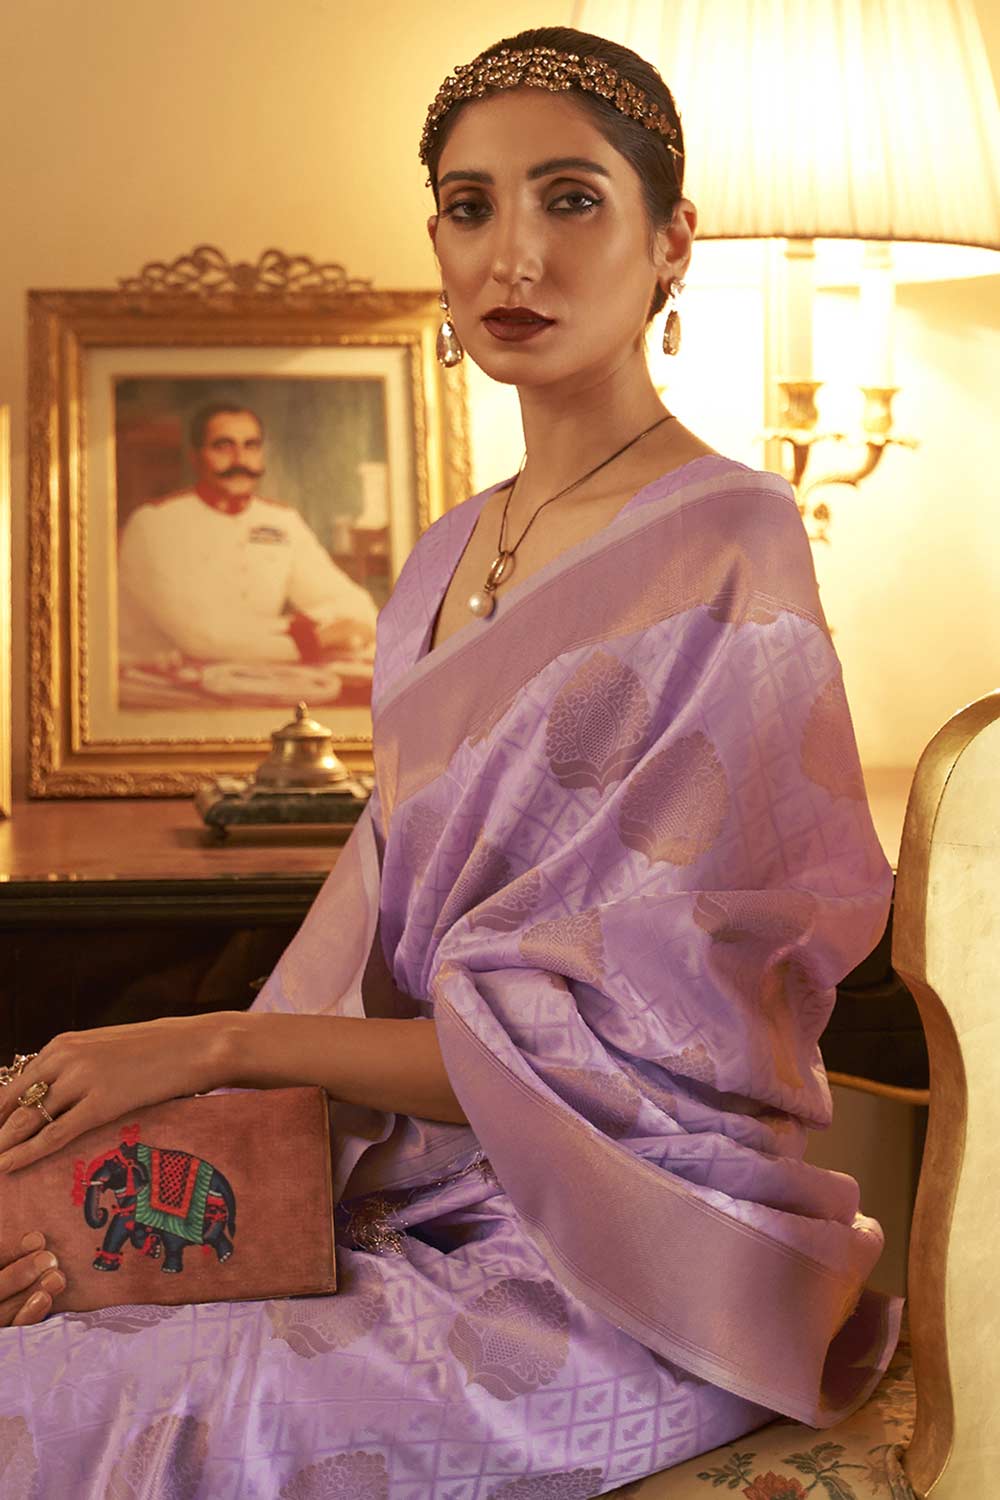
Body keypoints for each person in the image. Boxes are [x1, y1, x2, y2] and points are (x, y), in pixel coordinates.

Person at [0, 26, 902, 1499]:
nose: (513, 257)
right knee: (43, 1342)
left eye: (571, 200)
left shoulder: (729, 544)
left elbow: (627, 1046)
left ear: (673, 242)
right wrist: (105, 1194)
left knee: (120, 1410)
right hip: (403, 1196)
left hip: (631, 1259)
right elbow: (364, 938)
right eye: (471, 208)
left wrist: (211, 1046)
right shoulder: (436, 562)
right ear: (436, 244)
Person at [117, 402, 377, 668]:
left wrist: (329, 625)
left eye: (251, 446)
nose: (240, 460)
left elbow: (354, 604)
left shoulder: (281, 521)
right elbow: (202, 639)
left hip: (250, 673)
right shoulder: (154, 525)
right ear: (195, 457)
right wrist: (314, 639)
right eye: (223, 446)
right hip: (157, 680)